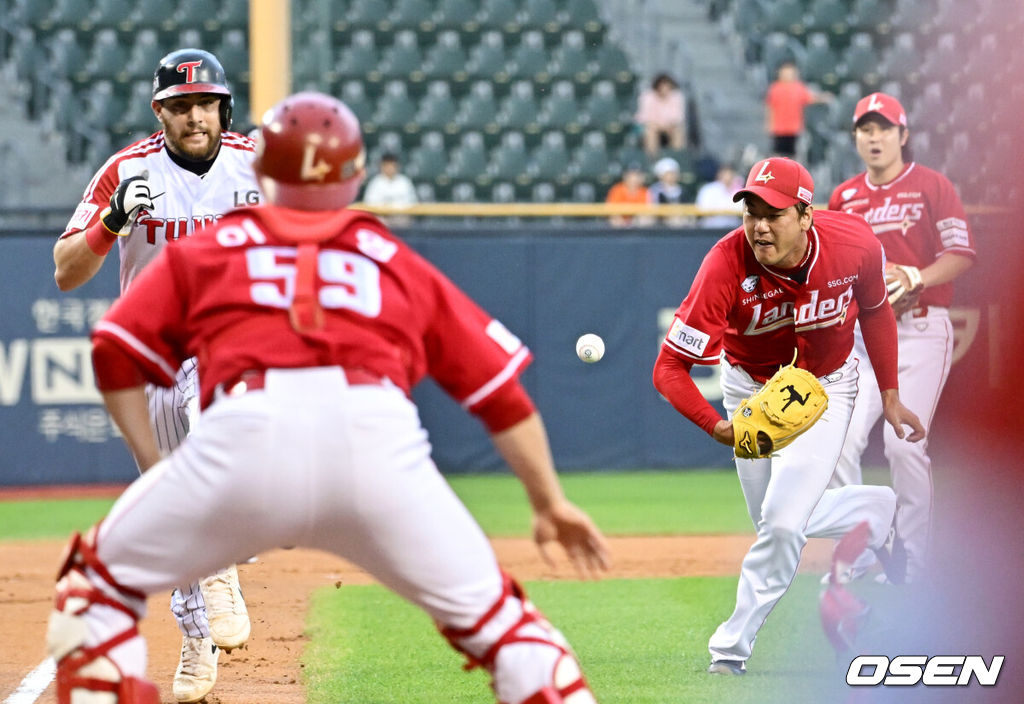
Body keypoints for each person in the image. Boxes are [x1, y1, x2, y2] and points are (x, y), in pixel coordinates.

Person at [45, 91, 611, 704]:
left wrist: (163, 478)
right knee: (516, 639)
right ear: (358, 176)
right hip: (378, 455)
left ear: (261, 173)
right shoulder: (391, 259)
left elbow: (112, 351)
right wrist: (549, 501)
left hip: (246, 446)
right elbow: (500, 396)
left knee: (92, 593)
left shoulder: (209, 252)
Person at [651, 156, 925, 675]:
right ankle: (876, 509)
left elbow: (875, 311)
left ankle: (729, 650)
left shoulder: (855, 244)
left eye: (773, 213)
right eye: (750, 210)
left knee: (780, 523)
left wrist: (889, 395)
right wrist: (719, 426)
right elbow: (668, 368)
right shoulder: (725, 264)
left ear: (805, 214)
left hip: (825, 388)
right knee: (774, 522)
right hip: (750, 391)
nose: (759, 225)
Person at [51, 48, 255, 703]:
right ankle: (198, 634)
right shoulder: (127, 170)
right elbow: (65, 269)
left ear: (223, 106)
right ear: (159, 111)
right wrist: (112, 223)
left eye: (205, 103)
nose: (195, 116)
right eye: (180, 105)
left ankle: (222, 563)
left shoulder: (257, 163)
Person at [826, 92, 975, 584]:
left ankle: (912, 563)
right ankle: (868, 551)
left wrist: (917, 279)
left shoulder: (932, 186)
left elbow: (960, 254)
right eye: (865, 129)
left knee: (904, 445)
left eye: (884, 128)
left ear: (903, 136)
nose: (874, 137)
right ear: (855, 138)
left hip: (919, 329)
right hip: (865, 340)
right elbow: (833, 269)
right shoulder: (844, 197)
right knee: (838, 445)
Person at [764, 61, 831, 159]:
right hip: (779, 128)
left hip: (794, 128)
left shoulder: (799, 88)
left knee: (792, 154)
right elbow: (769, 107)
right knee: (777, 153)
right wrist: (768, 123)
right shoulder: (775, 88)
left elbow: (810, 98)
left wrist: (824, 97)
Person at [634, 73, 686, 159]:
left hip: (669, 127)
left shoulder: (676, 96)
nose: (665, 89)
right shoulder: (648, 96)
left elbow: (678, 117)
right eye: (662, 86)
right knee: (650, 130)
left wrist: (667, 126)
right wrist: (659, 126)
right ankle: (653, 159)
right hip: (651, 126)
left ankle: (677, 159)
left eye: (667, 86)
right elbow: (644, 118)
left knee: (678, 131)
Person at [361, 152, 418, 226]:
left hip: (401, 219)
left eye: (392, 165)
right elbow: (368, 204)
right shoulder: (375, 182)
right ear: (381, 166)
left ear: (397, 166)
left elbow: (413, 204)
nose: (390, 168)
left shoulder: (404, 181)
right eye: (386, 165)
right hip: (381, 219)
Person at [604, 162, 653, 227]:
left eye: (637, 175)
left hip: (637, 222)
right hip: (620, 222)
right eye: (631, 175)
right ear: (625, 176)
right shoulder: (617, 189)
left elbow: (647, 211)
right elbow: (611, 211)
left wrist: (633, 221)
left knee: (646, 220)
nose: (634, 178)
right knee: (615, 221)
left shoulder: (645, 191)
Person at [694, 163, 742, 229]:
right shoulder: (708, 189)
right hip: (710, 230)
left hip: (732, 229)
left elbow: (741, 209)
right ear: (719, 174)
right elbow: (702, 209)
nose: (727, 177)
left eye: (730, 174)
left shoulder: (739, 190)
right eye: (725, 173)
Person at [648, 157, 690, 227]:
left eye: (674, 173)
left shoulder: (682, 190)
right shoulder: (655, 190)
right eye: (668, 173)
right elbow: (653, 209)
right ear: (660, 175)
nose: (672, 176)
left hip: (681, 221)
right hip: (660, 224)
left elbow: (688, 208)